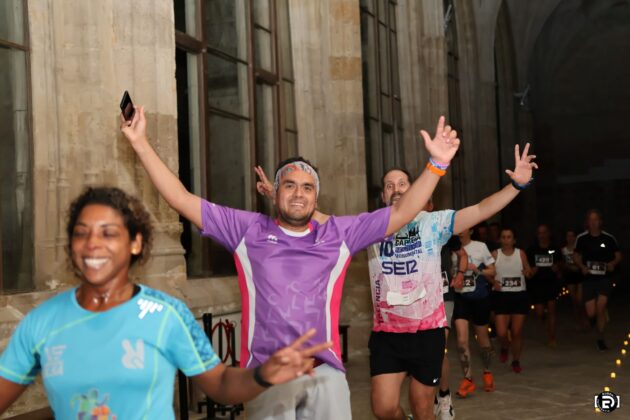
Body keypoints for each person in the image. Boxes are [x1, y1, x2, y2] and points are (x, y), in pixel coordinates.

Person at [121, 106, 460, 419]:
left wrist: (437, 165)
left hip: (324, 373)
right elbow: (181, 199)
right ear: (276, 192)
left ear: (316, 196)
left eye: (308, 188)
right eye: (290, 185)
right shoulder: (246, 230)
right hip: (266, 374)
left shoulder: (339, 234)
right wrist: (140, 143)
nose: (299, 193)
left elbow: (401, 211)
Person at [255, 144, 537, 419]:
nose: (396, 189)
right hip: (387, 334)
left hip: (427, 331)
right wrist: (277, 196)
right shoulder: (370, 227)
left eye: (402, 184)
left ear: (415, 189)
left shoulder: (434, 223)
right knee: (384, 409)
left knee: (422, 408)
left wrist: (516, 186)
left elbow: (481, 210)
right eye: (389, 185)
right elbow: (317, 217)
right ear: (383, 195)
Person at [0, 187, 331, 419]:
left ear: (135, 243)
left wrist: (262, 374)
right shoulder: (42, 323)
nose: (92, 244)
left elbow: (220, 384)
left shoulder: (166, 315)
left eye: (108, 233)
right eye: (81, 233)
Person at [453, 227, 496, 398]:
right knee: (461, 340)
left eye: (464, 228)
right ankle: (468, 379)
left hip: (479, 297)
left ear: (471, 231)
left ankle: (487, 372)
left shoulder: (480, 247)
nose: (460, 231)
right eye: (458, 228)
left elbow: (493, 270)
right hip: (460, 297)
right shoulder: (451, 248)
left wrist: (477, 270)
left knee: (483, 339)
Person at [573, 209, 622, 351]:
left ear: (600, 222)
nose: (593, 222)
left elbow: (618, 256)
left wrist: (612, 263)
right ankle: (597, 319)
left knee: (600, 307)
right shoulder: (581, 238)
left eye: (596, 219)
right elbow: (576, 256)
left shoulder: (609, 238)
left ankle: (600, 338)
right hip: (588, 279)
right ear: (587, 222)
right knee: (591, 313)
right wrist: (581, 266)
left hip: (604, 278)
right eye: (591, 220)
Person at [491, 227, 533, 373]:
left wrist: (527, 272)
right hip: (501, 296)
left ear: (514, 240)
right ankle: (504, 346)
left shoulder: (520, 253)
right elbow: (487, 272)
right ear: (500, 239)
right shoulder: (495, 254)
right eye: (503, 237)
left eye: (509, 237)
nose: (506, 240)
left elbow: (529, 271)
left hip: (518, 295)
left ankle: (515, 360)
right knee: (501, 332)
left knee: (516, 332)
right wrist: (493, 282)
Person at [435, 235, 466, 420]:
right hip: (419, 298)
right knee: (423, 352)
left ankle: (445, 396)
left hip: (444, 296)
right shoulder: (407, 229)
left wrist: (460, 274)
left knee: (439, 348)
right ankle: (427, 400)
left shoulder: (444, 229)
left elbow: (463, 255)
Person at [526, 224, 561, 347]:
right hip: (537, 284)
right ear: (537, 235)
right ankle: (544, 319)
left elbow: (561, 263)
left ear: (548, 233)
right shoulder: (532, 249)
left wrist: (558, 267)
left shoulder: (555, 248)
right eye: (540, 233)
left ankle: (552, 337)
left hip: (551, 282)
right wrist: (531, 270)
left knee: (552, 310)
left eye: (544, 232)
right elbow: (526, 267)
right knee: (539, 312)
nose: (542, 235)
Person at [561, 228, 588, 330]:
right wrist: (568, 266)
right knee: (574, 300)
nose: (570, 238)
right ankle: (578, 320)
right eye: (568, 236)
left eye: (572, 236)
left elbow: (583, 261)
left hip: (579, 275)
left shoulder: (579, 248)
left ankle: (584, 318)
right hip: (570, 276)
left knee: (580, 300)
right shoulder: (563, 250)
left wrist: (578, 266)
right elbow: (562, 263)